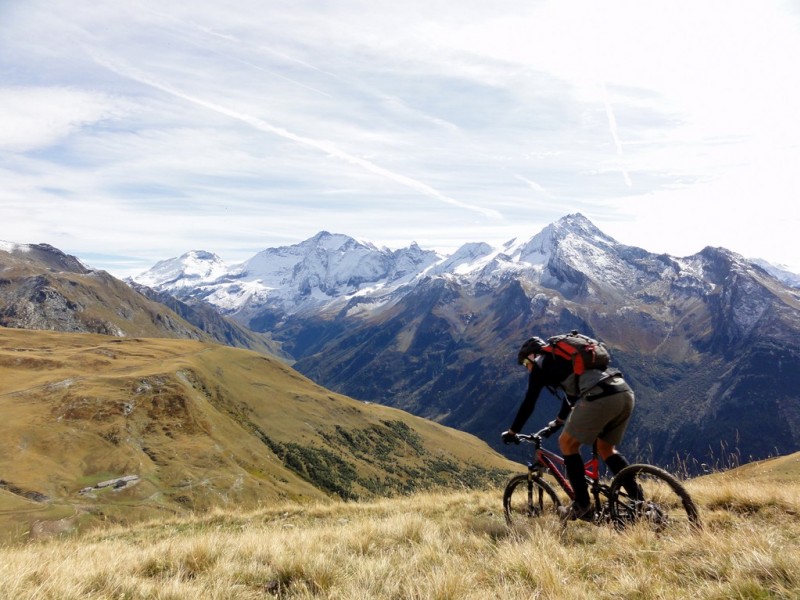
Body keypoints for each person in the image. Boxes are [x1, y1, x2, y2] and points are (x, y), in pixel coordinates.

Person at [501, 335, 639, 521]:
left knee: (567, 444)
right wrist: (558, 422)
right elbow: (571, 397)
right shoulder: (564, 360)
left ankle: (582, 505)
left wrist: (512, 432)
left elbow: (529, 402)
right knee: (606, 449)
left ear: (532, 356)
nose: (527, 368)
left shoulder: (541, 364)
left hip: (599, 398)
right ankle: (640, 502)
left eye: (526, 364)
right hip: (623, 392)